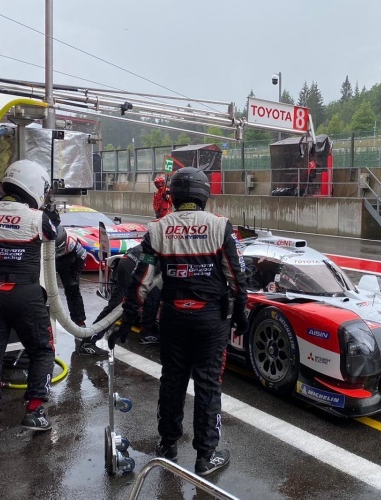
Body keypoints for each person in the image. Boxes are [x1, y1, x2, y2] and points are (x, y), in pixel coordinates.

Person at [109, 167, 249, 476]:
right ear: (202, 194)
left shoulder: (158, 228)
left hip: (173, 317)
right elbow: (237, 278)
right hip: (210, 320)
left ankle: (168, 444)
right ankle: (205, 457)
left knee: (172, 381)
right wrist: (240, 315)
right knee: (208, 384)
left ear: (174, 194)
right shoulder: (220, 226)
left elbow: (141, 281)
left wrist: (126, 321)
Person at [0, 159, 59, 445]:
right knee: (43, 350)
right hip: (26, 295)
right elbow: (54, 235)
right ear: (33, 185)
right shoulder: (36, 218)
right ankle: (34, 411)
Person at [54, 225, 87, 327]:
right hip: (46, 257)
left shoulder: (71, 240)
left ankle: (79, 321)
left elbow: (82, 256)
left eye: (60, 250)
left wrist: (75, 275)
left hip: (68, 259)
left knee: (72, 289)